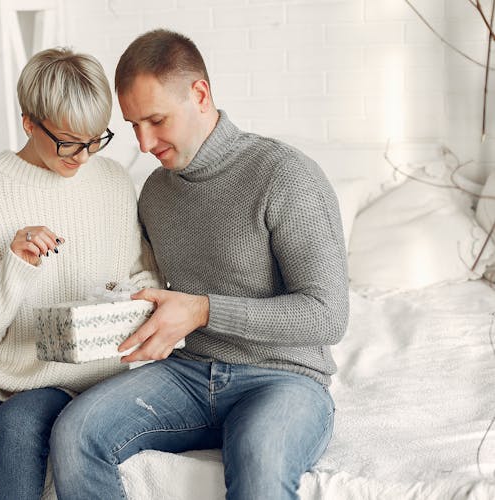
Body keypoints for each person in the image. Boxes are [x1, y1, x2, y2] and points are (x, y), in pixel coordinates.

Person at [50, 29, 349, 500]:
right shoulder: (155, 193)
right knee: (74, 434)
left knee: (260, 458)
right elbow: (147, 285)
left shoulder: (285, 175)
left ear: (200, 94)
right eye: (133, 125)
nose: (145, 143)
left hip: (283, 378)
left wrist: (204, 310)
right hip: (185, 374)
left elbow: (328, 316)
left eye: (156, 120)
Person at [0, 47, 157, 500]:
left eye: (94, 140)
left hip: (62, 375)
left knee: (18, 433)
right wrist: (16, 267)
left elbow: (141, 276)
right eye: (68, 141)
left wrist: (127, 304)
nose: (82, 157)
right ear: (29, 122)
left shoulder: (113, 184)